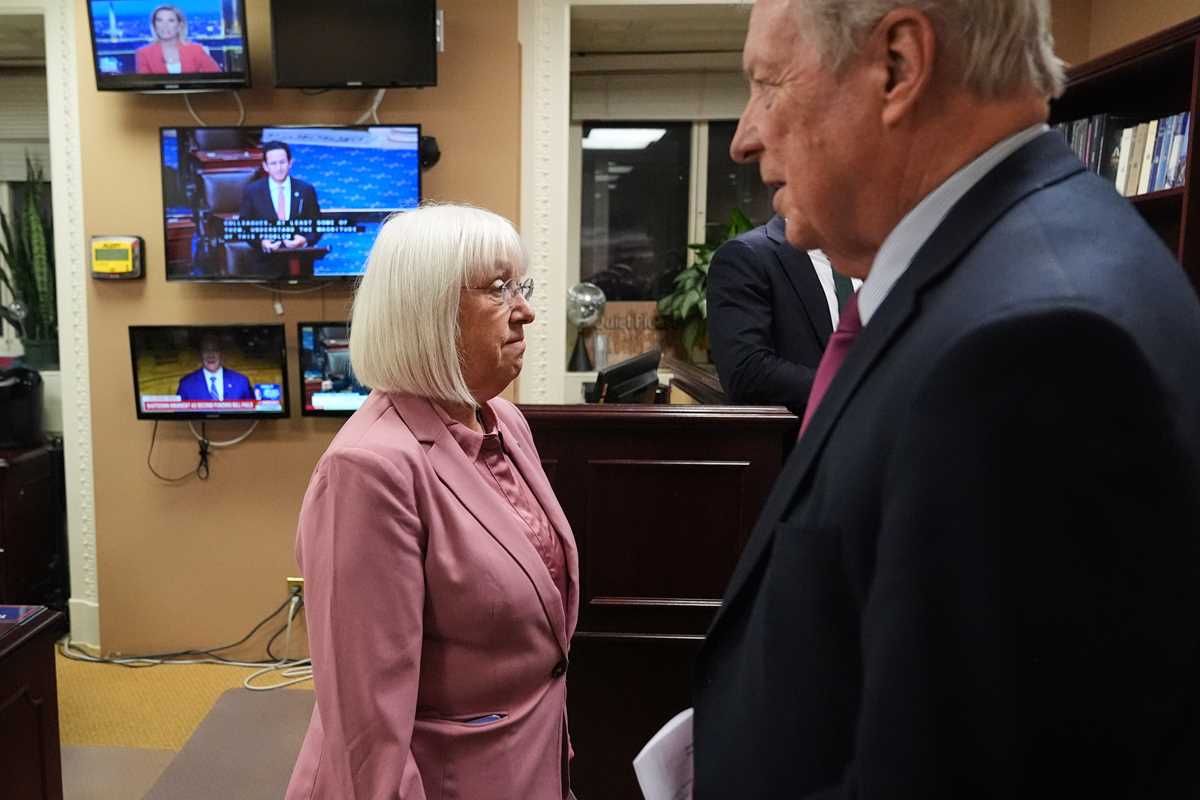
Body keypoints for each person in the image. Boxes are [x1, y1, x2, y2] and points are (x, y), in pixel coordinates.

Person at [693, 1, 1200, 798]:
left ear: (897, 65)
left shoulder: (1035, 346)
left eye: (768, 83)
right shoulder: (996, 270)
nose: (744, 136)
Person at [285, 204, 579, 800]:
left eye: (520, 287)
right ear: (430, 312)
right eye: (498, 289)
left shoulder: (504, 420)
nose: (525, 311)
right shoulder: (367, 469)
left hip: (526, 764)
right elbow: (366, 724)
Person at [707, 214, 857, 416]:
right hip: (802, 430)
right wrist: (854, 387)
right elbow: (747, 372)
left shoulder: (873, 257)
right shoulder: (747, 255)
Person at [238, 141, 323, 254]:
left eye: (282, 162)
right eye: (273, 164)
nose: (279, 168)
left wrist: (305, 240)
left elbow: (317, 225)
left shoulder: (305, 190)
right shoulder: (252, 191)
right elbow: (245, 227)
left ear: (290, 163)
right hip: (265, 259)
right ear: (265, 166)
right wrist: (262, 242)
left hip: (300, 256)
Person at [134, 5, 220, 75]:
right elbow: (145, 85)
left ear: (180, 25)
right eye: (159, 20)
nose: (164, 25)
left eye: (171, 21)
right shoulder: (144, 53)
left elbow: (216, 78)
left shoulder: (196, 50)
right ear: (154, 26)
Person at [176, 333, 253, 401]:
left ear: (221, 353)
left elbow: (252, 410)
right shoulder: (186, 384)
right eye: (206, 350)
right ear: (200, 354)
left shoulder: (241, 381)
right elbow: (179, 412)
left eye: (215, 350)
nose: (210, 355)